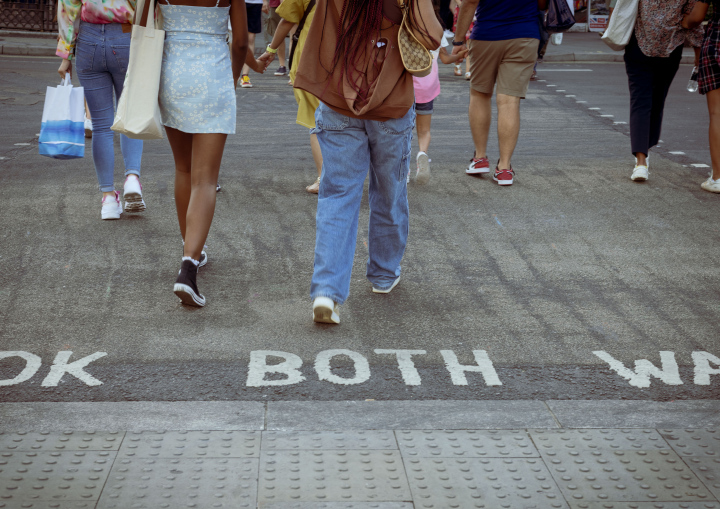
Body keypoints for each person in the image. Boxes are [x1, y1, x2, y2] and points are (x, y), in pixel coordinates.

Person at [293, 0, 442, 324]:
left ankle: (326, 292)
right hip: (391, 105)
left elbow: (324, 36)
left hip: (339, 100)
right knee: (389, 191)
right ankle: (384, 274)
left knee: (337, 196)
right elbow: (432, 36)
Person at [148, 0, 262, 307]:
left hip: (172, 74)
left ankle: (192, 251)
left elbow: (137, 20)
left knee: (183, 169)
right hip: (213, 74)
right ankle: (188, 265)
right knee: (205, 180)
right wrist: (233, 80)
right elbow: (240, 42)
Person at [56, 0, 145, 220]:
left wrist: (65, 54)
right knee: (130, 116)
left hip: (88, 39)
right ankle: (132, 177)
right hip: (127, 36)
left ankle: (108, 199)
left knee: (101, 126)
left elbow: (68, 7)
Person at [453, 0, 548, 186]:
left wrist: (458, 40)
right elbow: (542, 3)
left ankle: (480, 158)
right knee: (509, 101)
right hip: (525, 34)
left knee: (479, 94)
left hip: (487, 33)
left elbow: (470, 2)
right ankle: (504, 168)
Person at [623, 0, 703, 182]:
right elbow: (694, 21)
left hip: (639, 45)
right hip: (671, 49)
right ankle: (642, 157)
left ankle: (642, 158)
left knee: (642, 102)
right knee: (655, 101)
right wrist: (698, 56)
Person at [259, 0, 323, 194]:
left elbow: (287, 20)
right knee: (348, 123)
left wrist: (271, 50)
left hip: (312, 62)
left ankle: (324, 178)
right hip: (350, 62)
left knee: (316, 121)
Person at [413, 32, 468, 184]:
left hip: (405, 87)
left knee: (401, 132)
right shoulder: (435, 29)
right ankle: (422, 154)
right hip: (427, 86)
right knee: (424, 131)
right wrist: (460, 55)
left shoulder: (405, 25)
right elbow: (445, 59)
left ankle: (402, 170)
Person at [684, 0, 720, 193]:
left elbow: (697, 16)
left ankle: (718, 177)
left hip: (717, 42)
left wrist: (685, 22)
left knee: (717, 114)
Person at [239, 0, 269, 87]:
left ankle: (245, 76)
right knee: (235, 37)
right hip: (237, 3)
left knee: (251, 38)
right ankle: (234, 73)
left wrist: (264, 1)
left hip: (255, 3)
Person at [265, 0, 288, 75]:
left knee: (295, 36)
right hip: (275, 4)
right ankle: (282, 65)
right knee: (278, 35)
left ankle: (294, 67)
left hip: (294, 3)